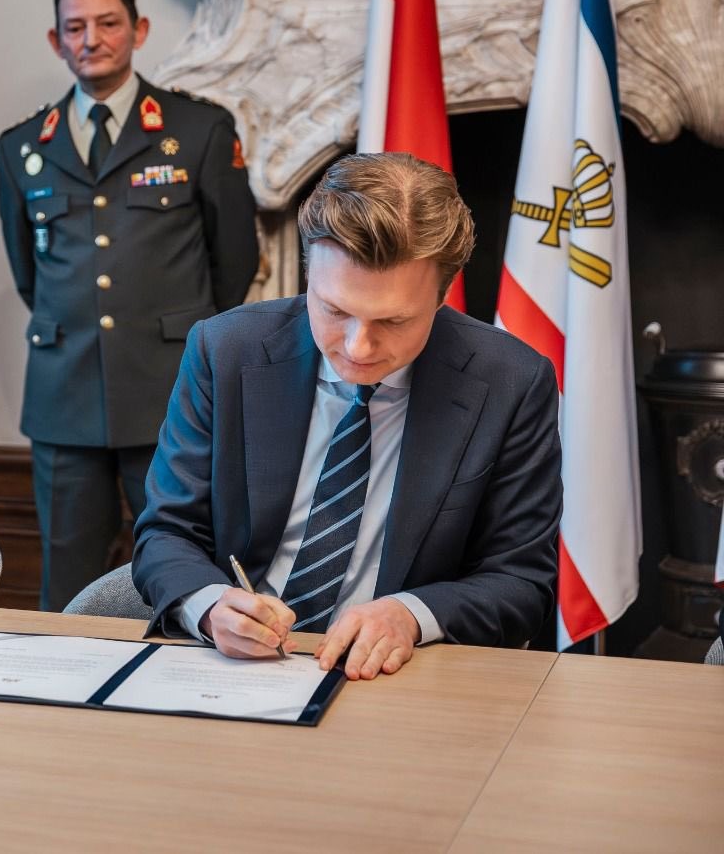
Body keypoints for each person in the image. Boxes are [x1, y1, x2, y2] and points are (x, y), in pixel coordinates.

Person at [133, 153, 563, 680]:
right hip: (238, 667)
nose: (358, 347)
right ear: (308, 274)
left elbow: (521, 582)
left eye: (394, 321)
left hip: (399, 674)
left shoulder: (512, 382)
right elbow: (166, 532)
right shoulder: (225, 350)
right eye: (335, 310)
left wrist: (410, 615)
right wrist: (211, 606)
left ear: (442, 296)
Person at [0, 0, 259, 611]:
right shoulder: (22, 146)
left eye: (107, 23)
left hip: (169, 388)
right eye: (75, 28)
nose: (91, 39)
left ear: (138, 30)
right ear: (56, 41)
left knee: (186, 565)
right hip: (64, 394)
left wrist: (190, 341)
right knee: (66, 575)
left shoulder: (198, 130)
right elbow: (29, 271)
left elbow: (235, 259)